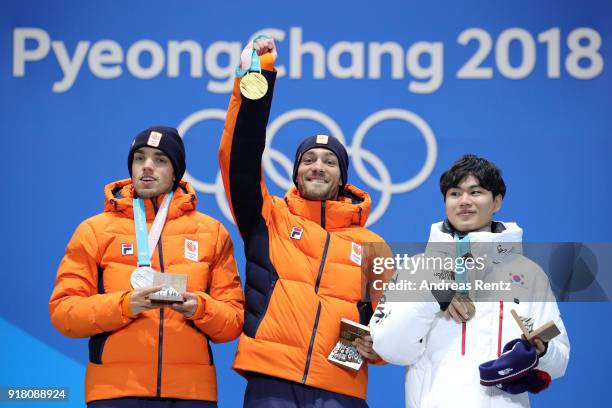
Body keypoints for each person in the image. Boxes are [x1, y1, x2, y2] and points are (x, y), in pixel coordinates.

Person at [219, 38, 388, 407]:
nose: (317, 166)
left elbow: (392, 321)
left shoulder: (374, 245)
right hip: (272, 382)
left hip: (341, 386)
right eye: (308, 159)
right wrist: (257, 79)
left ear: (342, 177)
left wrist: (380, 346)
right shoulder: (270, 218)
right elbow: (240, 155)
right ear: (295, 172)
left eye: (329, 161)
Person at [49, 126, 245, 407]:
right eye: (140, 158)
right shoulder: (94, 231)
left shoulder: (211, 233)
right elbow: (64, 312)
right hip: (115, 392)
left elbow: (233, 321)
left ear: (177, 172)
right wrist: (125, 306)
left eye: (160, 160)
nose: (147, 167)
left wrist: (200, 309)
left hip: (191, 394)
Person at [370, 154, 570, 407]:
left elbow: (560, 360)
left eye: (476, 192)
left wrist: (540, 353)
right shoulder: (416, 269)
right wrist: (433, 296)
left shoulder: (530, 275)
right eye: (455, 194)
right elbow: (389, 347)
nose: (464, 201)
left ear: (497, 201)